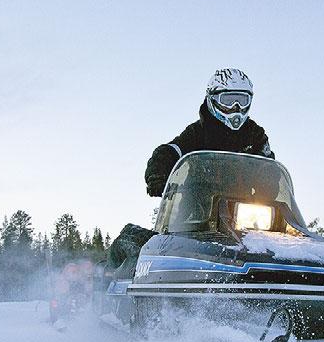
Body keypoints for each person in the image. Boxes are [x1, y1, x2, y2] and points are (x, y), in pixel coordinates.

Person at [109, 68, 274, 270]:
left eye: (242, 101)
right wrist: (158, 172)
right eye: (229, 100)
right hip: (195, 215)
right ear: (213, 99)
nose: (236, 108)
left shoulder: (255, 135)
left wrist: (270, 184)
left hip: (243, 218)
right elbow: (172, 150)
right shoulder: (197, 132)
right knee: (142, 240)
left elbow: (268, 166)